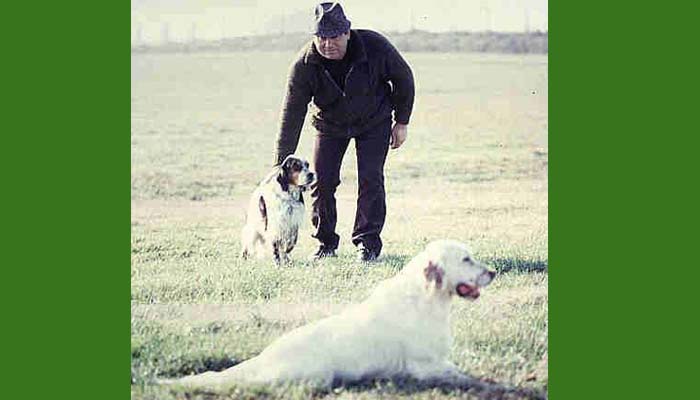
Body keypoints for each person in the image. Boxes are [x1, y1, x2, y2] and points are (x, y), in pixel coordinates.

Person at [274, 2, 415, 262]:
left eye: (334, 37)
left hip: (374, 121)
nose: (327, 44)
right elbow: (292, 114)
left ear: (347, 32)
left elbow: (404, 77)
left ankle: (367, 245)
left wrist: (402, 122)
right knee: (321, 181)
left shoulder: (375, 46)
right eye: (321, 37)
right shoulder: (304, 64)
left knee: (371, 179)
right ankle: (325, 243)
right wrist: (279, 163)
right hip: (330, 125)